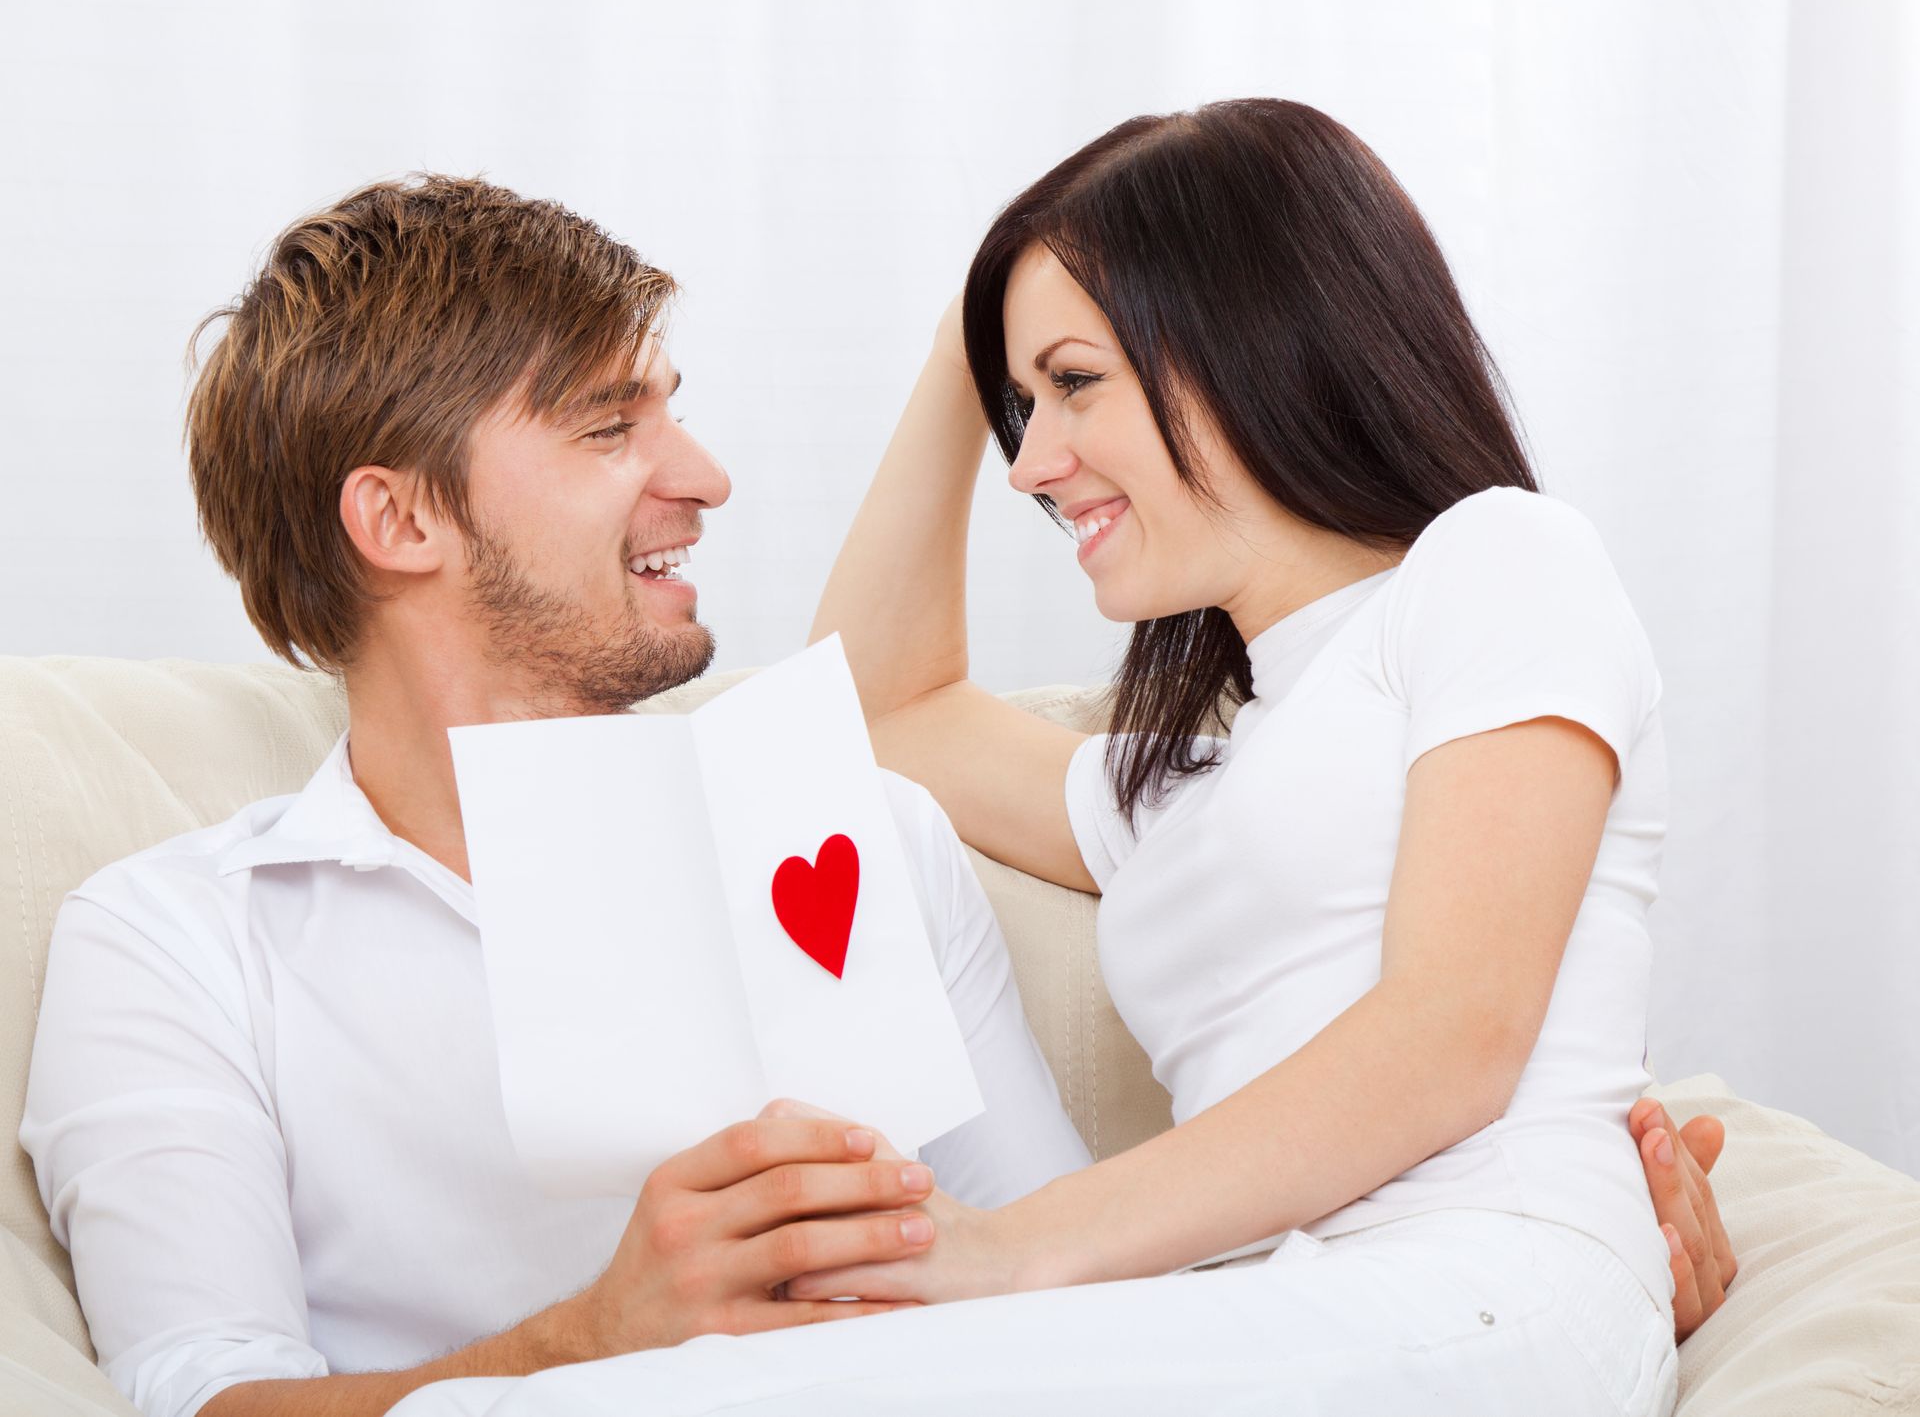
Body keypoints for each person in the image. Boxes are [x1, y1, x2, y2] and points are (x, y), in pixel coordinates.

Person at [17, 160, 1727, 1417]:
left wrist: (1577, 1214)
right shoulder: (174, 943)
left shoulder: (854, 840)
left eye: (1071, 385)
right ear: (399, 521)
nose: (706, 476)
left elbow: (1054, 1277)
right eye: (615, 429)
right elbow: (198, 1401)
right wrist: (591, 1334)